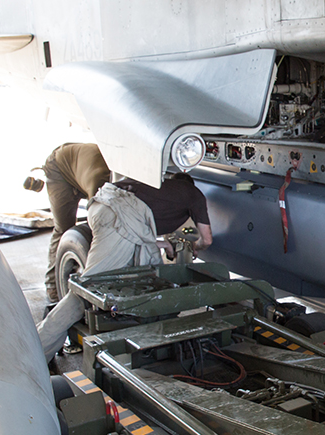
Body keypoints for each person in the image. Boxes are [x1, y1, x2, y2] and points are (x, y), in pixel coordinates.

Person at [36, 172, 212, 361]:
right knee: (86, 294)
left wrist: (163, 245)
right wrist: (195, 247)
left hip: (103, 205)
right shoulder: (194, 194)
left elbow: (139, 231)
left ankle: (148, 343)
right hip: (118, 217)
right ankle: (36, 350)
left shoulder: (153, 186)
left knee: (151, 278)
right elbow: (207, 239)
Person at [29, 143, 112, 302]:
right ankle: (53, 284)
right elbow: (99, 228)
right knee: (64, 228)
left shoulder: (120, 182)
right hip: (59, 168)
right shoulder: (100, 187)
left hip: (83, 167)